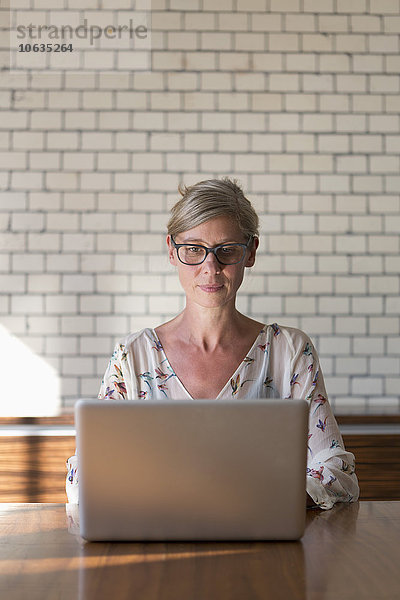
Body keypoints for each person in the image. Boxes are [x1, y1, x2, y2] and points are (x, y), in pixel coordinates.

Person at [66, 177, 359, 509]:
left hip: (265, 551)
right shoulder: (132, 358)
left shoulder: (289, 352)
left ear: (250, 252)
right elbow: (83, 478)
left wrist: (263, 498)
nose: (211, 268)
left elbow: (339, 471)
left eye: (227, 251)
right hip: (156, 546)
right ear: (172, 252)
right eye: (193, 249)